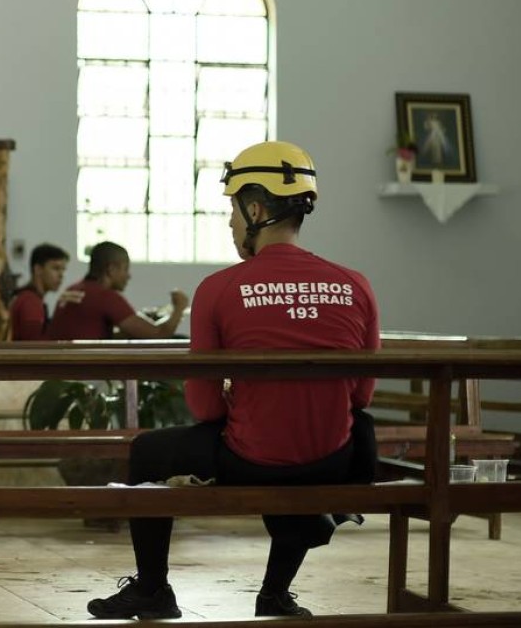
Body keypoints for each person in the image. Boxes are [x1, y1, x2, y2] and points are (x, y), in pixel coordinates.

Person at [86, 141, 379, 620]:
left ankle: (153, 589)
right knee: (343, 431)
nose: (230, 223)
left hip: (252, 461)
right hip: (333, 461)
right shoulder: (356, 284)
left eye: (233, 210)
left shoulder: (219, 288)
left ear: (257, 208)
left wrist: (237, 398)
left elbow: (205, 409)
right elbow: (361, 395)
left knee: (147, 452)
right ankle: (275, 594)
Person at [45, 241, 187, 341]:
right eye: (125, 268)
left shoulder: (73, 289)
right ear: (111, 269)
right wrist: (179, 308)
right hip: (85, 378)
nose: (128, 275)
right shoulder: (105, 296)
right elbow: (158, 335)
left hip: (61, 375)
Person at [7, 243, 75, 341]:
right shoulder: (30, 301)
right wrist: (60, 313)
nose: (61, 275)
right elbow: (36, 347)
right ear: (38, 269)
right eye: (56, 268)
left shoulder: (27, 297)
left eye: (63, 270)